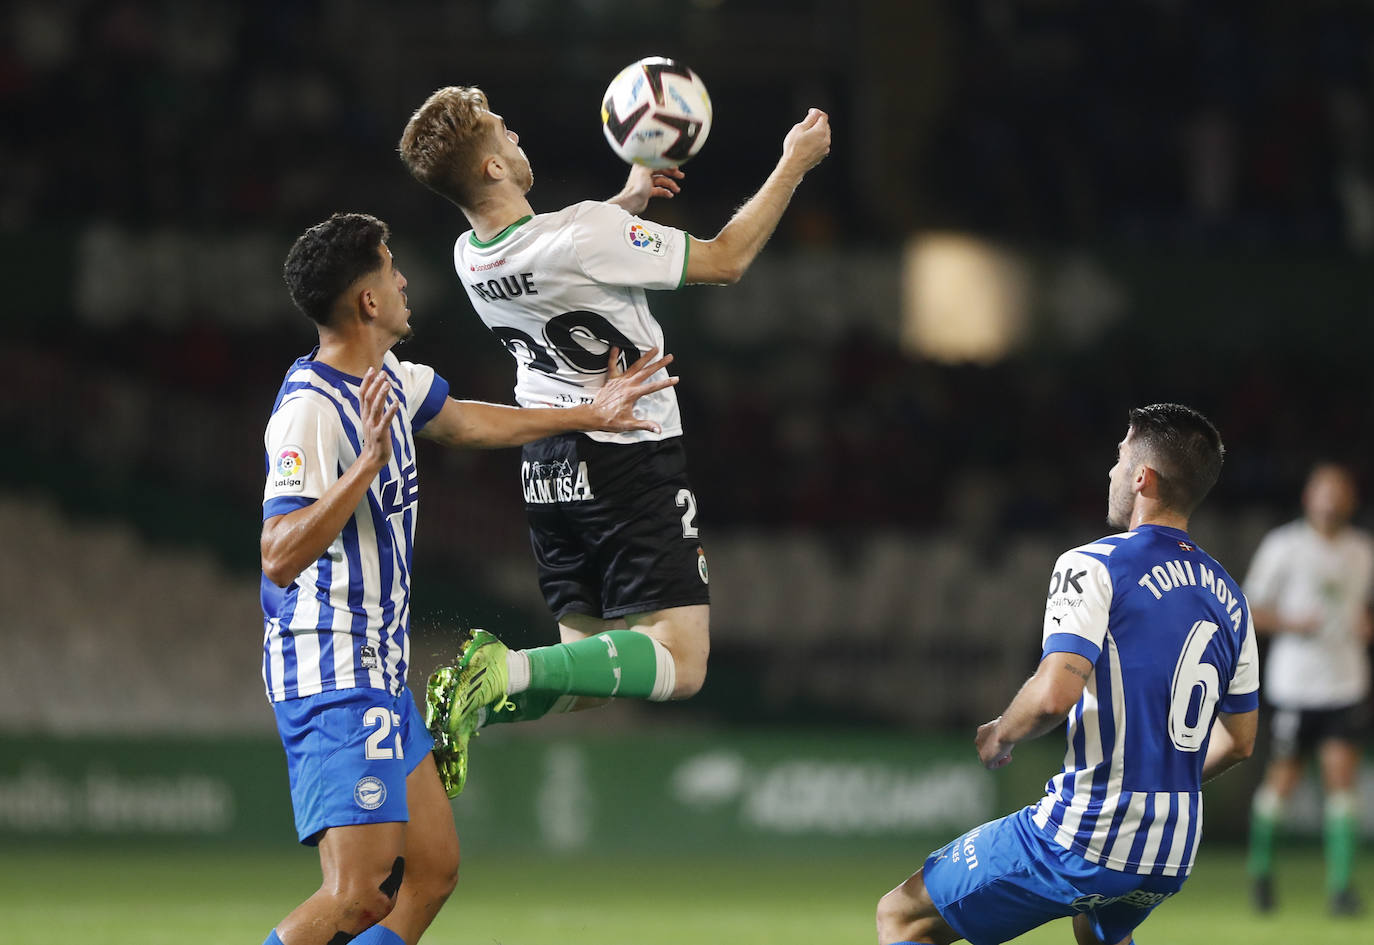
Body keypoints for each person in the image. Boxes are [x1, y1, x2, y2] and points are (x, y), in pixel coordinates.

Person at [396, 85, 831, 794]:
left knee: (594, 673)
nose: (515, 134)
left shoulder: (469, 257)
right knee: (682, 664)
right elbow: (726, 260)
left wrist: (627, 202)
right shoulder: (585, 235)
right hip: (625, 450)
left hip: (549, 467)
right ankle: (498, 671)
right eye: (502, 131)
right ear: (491, 170)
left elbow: (562, 246)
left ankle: (473, 698)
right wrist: (794, 163)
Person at [258, 211, 677, 945]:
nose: (403, 280)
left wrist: (592, 412)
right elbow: (278, 552)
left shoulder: (389, 378)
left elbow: (467, 422)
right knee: (356, 896)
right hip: (331, 670)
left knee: (433, 871)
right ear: (367, 302)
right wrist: (362, 467)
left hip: (376, 668)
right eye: (391, 269)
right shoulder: (310, 411)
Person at [876, 404, 1260, 945]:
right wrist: (1160, 782)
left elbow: (1056, 694)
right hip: (1171, 847)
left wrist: (1000, 733)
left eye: (1119, 457)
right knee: (1098, 930)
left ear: (1143, 478)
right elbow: (1240, 742)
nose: (1111, 471)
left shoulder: (1094, 565)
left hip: (1089, 833)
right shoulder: (1232, 598)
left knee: (903, 915)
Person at [1244, 462, 1373, 916]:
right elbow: (1251, 608)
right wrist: (1291, 623)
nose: (1332, 498)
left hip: (1346, 683)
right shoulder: (1284, 546)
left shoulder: (1363, 551)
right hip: (1295, 685)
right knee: (1283, 780)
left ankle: (1341, 888)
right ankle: (1260, 871)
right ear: (1308, 497)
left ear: (1351, 500)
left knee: (1341, 779)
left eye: (1341, 491)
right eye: (1325, 490)